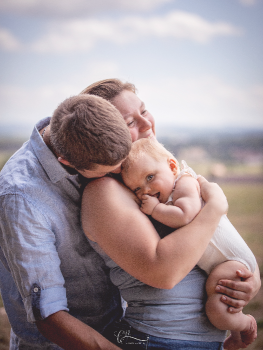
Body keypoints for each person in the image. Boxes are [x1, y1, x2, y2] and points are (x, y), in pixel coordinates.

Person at [81, 79, 261, 350]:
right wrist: (215, 207)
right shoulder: (105, 191)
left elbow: (211, 243)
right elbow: (163, 273)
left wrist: (247, 281)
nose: (147, 124)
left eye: (144, 110)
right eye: (130, 122)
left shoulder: (162, 179)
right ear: (105, 135)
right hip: (159, 338)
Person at [0, 94, 132, 350]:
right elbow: (50, 317)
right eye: (107, 172)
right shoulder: (21, 199)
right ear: (66, 162)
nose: (118, 175)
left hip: (116, 329)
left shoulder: (83, 130)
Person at [120, 137, 258, 349]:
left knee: (216, 311)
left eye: (149, 177)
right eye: (137, 188)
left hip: (231, 261)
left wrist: (155, 209)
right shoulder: (167, 194)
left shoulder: (184, 183)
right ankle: (237, 332)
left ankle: (245, 323)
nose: (145, 190)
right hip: (223, 261)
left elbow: (186, 214)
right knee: (220, 304)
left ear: (172, 166)